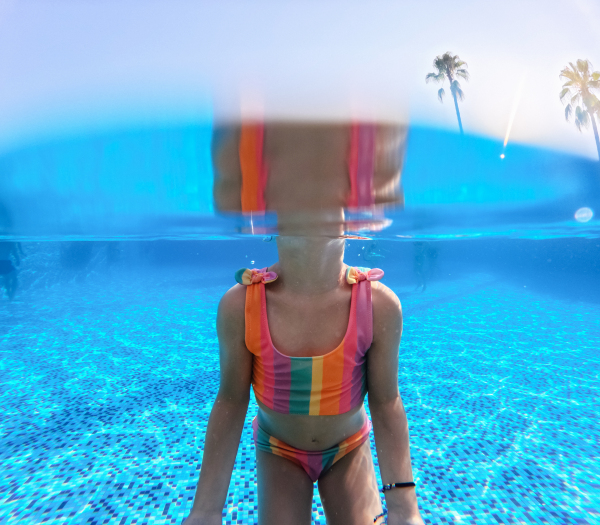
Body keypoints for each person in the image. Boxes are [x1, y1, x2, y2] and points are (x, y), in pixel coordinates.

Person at [184, 122, 424, 525]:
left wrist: (404, 508)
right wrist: (205, 511)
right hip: (279, 450)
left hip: (348, 446)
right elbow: (230, 401)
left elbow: (386, 403)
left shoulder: (378, 304)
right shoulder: (241, 305)